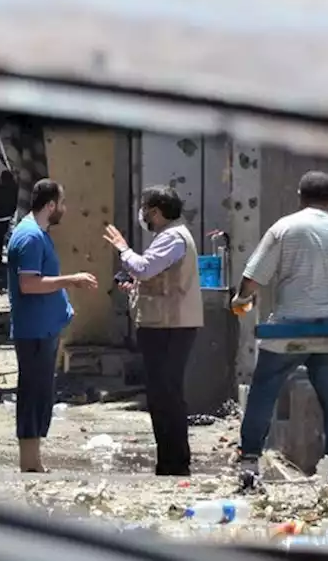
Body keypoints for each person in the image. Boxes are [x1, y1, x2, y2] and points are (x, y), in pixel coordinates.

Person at [232, 171, 328, 473]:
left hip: (290, 331)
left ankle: (249, 458)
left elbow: (254, 276)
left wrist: (241, 300)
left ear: (299, 195)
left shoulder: (285, 227)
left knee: (264, 391)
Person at [102, 186, 202, 477]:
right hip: (164, 324)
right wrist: (134, 286)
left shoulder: (172, 237)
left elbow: (144, 268)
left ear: (156, 211)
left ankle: (175, 463)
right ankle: (169, 461)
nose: (142, 214)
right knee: (161, 395)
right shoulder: (168, 237)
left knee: (167, 395)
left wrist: (123, 248)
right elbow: (154, 278)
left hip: (169, 327)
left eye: (145, 208)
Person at [7, 179, 97, 472]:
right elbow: (29, 284)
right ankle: (29, 462)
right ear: (50, 205)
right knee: (33, 393)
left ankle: (34, 460)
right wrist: (72, 280)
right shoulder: (30, 237)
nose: (65, 209)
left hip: (44, 329)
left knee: (42, 393)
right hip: (33, 330)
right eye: (62, 203)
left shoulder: (38, 234)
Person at [0, 170, 18, 266]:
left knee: (1, 236)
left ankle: (0, 255)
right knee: (10, 236)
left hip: (2, 216)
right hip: (11, 215)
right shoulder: (15, 189)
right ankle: (8, 256)